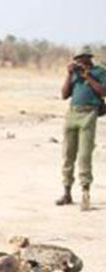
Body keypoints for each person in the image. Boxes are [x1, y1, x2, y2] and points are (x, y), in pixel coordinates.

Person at [57, 47, 106, 211]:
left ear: (88, 58)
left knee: (84, 155)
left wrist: (88, 77)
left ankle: (85, 192)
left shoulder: (99, 71)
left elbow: (104, 91)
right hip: (72, 113)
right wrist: (69, 74)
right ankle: (67, 192)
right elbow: (64, 95)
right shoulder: (74, 74)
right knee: (68, 154)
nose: (78, 62)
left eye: (80, 59)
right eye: (76, 59)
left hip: (89, 114)